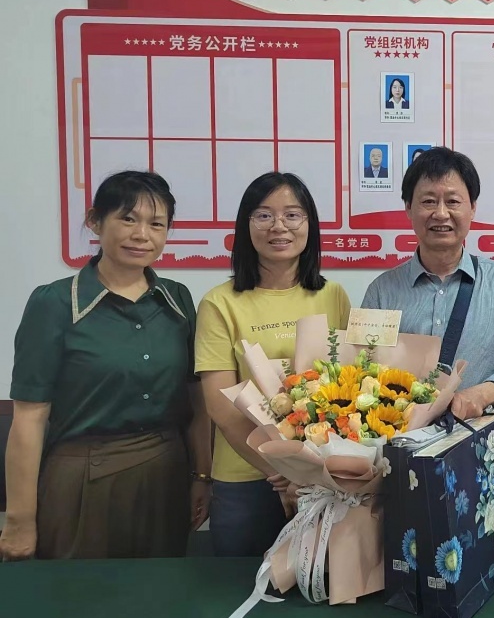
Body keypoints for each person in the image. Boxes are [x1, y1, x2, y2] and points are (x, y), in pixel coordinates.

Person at [1, 171, 210, 561]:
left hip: (167, 475)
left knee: (160, 593)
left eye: (156, 224)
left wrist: (202, 476)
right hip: (81, 478)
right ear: (95, 221)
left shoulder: (177, 300)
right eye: (128, 219)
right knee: (78, 595)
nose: (141, 234)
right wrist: (19, 520)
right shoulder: (54, 303)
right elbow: (29, 417)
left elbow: (195, 398)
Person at [195, 172, 352, 557]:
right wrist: (281, 472)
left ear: (309, 224)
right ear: (245, 225)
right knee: (238, 586)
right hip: (247, 479)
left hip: (324, 479)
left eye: (292, 215)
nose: (279, 226)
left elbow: (349, 384)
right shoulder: (219, 302)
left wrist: (311, 473)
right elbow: (220, 406)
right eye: (264, 215)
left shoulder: (333, 295)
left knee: (322, 584)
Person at [361, 146, 494, 419]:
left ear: (472, 208)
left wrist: (482, 394)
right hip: (400, 435)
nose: (441, 213)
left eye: (453, 201)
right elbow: (362, 371)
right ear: (409, 208)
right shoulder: (381, 292)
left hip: (478, 435)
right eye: (428, 201)